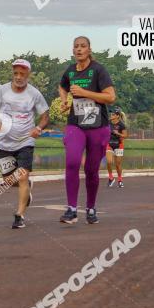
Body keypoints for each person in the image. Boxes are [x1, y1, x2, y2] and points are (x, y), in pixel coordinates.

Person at [58, 36, 116, 224]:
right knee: (73, 162)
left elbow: (110, 97)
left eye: (83, 46)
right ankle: (72, 209)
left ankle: (91, 208)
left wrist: (85, 93)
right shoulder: (70, 71)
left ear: (89, 50)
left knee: (91, 169)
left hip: (97, 125)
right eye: (76, 47)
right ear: (73, 50)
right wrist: (65, 100)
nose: (79, 49)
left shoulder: (99, 70)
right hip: (76, 123)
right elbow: (62, 85)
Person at [0, 59, 50, 229]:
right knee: (8, 181)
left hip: (25, 141)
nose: (19, 77)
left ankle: (19, 215)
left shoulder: (34, 94)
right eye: (16, 73)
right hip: (4, 143)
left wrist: (38, 127)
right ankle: (27, 189)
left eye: (22, 74)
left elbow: (45, 116)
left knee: (22, 175)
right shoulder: (2, 91)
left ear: (28, 75)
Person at [105, 108, 127, 188]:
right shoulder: (108, 122)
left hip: (119, 145)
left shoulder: (121, 125)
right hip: (109, 144)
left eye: (113, 114)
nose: (111, 115)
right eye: (111, 114)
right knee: (109, 161)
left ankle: (120, 180)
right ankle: (111, 178)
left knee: (118, 164)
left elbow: (125, 136)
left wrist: (118, 133)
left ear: (117, 116)